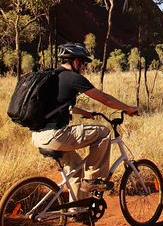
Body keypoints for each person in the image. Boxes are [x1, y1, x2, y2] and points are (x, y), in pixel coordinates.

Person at [31, 42, 139, 201]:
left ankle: (76, 211)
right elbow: (104, 99)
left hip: (38, 136)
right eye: (82, 63)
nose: (83, 67)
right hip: (56, 135)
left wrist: (85, 112)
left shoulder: (53, 77)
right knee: (103, 133)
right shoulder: (73, 78)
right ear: (75, 61)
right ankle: (93, 180)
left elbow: (62, 106)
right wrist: (128, 108)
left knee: (75, 167)